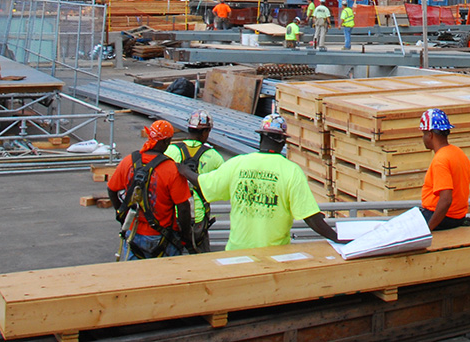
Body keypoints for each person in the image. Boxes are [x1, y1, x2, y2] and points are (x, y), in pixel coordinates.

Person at [179, 113, 338, 250]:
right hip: (274, 256)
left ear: (260, 136)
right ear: (283, 141)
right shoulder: (291, 171)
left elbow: (204, 183)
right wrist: (337, 238)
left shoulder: (237, 164)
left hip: (237, 254)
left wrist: (184, 170)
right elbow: (311, 218)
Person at [107, 119, 194, 260]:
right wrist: (186, 237)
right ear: (166, 142)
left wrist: (122, 216)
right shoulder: (172, 169)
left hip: (133, 233)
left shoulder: (128, 162)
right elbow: (183, 207)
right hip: (162, 237)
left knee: (135, 278)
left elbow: (111, 190)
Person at [166, 110, 223, 253]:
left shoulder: (170, 151)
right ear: (205, 132)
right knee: (201, 261)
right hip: (198, 218)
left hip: (174, 216)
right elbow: (222, 186)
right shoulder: (213, 156)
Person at [418, 109, 470, 230]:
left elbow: (446, 199)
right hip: (458, 217)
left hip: (443, 218)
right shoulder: (458, 153)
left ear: (430, 135)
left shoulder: (440, 160)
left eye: (424, 134)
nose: (423, 138)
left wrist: (428, 228)